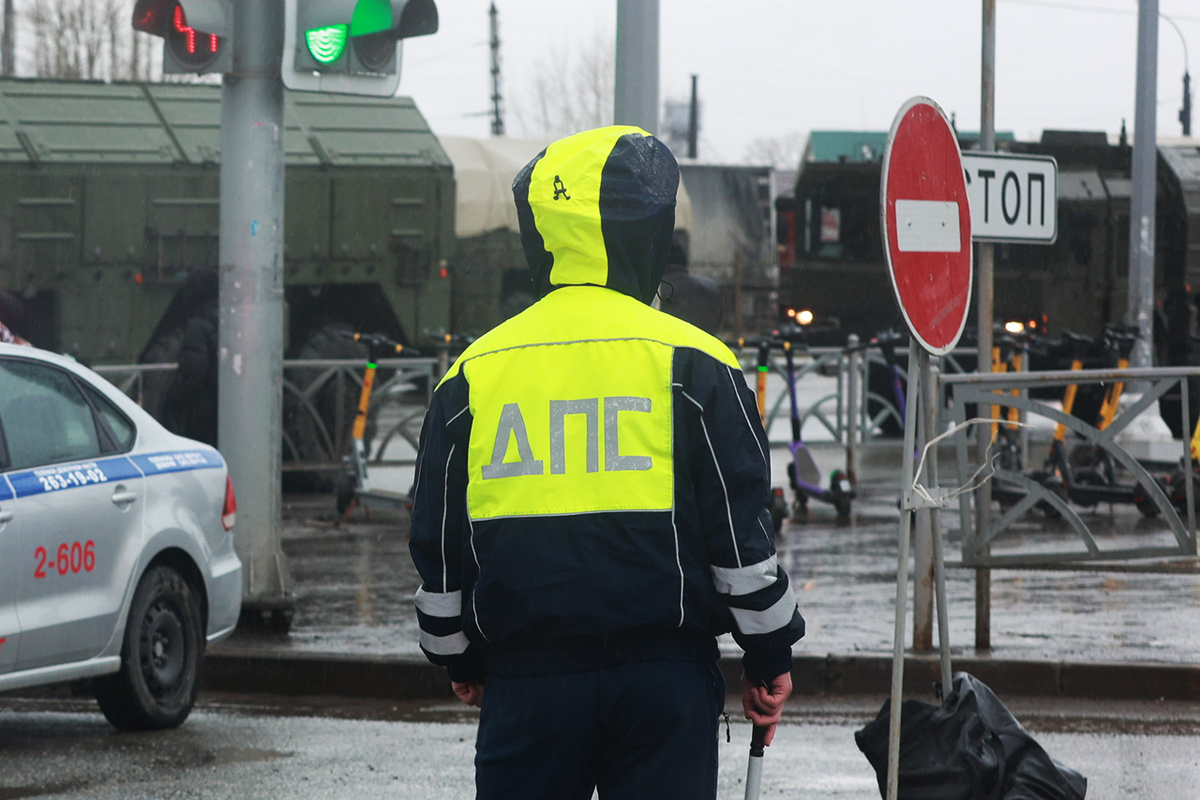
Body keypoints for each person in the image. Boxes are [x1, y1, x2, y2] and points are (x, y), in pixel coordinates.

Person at [409, 125, 804, 799]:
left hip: (526, 684)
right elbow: (741, 543)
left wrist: (460, 659)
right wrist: (769, 656)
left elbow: (439, 550)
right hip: (665, 684)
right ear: (647, 234)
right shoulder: (698, 364)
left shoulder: (472, 374)